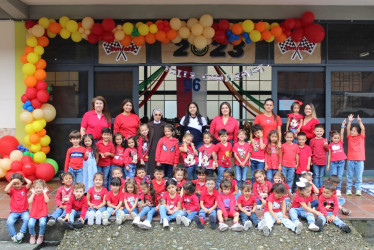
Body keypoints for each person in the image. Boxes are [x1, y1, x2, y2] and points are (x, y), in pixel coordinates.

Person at [5, 173, 32, 243]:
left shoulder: (24, 189)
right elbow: (6, 190)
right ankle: (14, 236)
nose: (16, 185)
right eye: (14, 184)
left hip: (24, 211)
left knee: (27, 218)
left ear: (22, 183)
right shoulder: (12, 190)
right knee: (9, 222)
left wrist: (23, 178)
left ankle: (21, 233)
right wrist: (12, 182)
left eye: (18, 184)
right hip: (14, 211)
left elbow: (30, 182)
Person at [346, 114, 366, 196]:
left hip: (360, 160)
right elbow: (347, 128)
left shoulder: (361, 137)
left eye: (354, 131)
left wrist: (359, 122)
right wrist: (350, 121)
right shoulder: (350, 137)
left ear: (358, 133)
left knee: (359, 176)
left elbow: (363, 129)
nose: (352, 131)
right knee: (349, 176)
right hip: (350, 159)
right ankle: (348, 189)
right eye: (352, 130)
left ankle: (358, 189)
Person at [327, 123, 347, 196]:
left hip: (341, 162)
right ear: (332, 138)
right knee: (333, 176)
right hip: (333, 163)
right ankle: (333, 189)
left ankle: (338, 189)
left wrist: (342, 126)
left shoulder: (340, 142)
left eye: (338, 138)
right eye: (335, 138)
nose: (336, 139)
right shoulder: (330, 145)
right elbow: (329, 155)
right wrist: (328, 164)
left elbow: (342, 133)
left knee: (340, 176)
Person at [28, 179, 49, 245]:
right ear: (34, 189)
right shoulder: (33, 194)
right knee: (31, 224)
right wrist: (33, 193)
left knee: (42, 223)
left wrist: (45, 193)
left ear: (43, 188)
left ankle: (40, 235)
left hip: (42, 212)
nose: (38, 189)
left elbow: (47, 201)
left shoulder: (44, 194)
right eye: (36, 188)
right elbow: (29, 201)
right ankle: (32, 235)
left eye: (40, 188)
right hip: (34, 213)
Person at [147, 109, 167, 177]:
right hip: (152, 146)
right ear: (153, 115)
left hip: (162, 147)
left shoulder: (164, 125)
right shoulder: (149, 125)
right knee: (152, 163)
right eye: (156, 115)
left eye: (159, 115)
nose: (157, 116)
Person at [309, 124, 329, 189]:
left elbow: (327, 150)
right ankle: (316, 188)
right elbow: (310, 151)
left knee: (321, 175)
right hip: (315, 160)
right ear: (314, 132)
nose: (319, 133)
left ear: (323, 131)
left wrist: (326, 146)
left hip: (323, 160)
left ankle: (321, 188)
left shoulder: (324, 140)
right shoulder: (312, 140)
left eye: (320, 131)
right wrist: (311, 160)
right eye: (317, 131)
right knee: (316, 175)